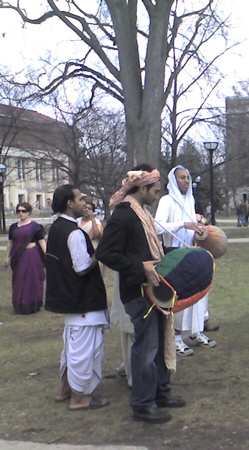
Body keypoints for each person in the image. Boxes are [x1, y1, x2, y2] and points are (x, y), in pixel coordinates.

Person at [97, 165, 185, 424]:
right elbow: (105, 253)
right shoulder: (124, 215)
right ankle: (142, 404)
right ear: (142, 188)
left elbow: (149, 250)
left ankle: (160, 393)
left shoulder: (143, 213)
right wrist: (140, 267)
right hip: (138, 291)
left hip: (155, 289)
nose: (157, 195)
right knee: (146, 349)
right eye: (155, 190)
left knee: (157, 346)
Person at [46, 185, 110, 411]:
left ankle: (65, 390)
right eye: (80, 199)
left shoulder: (56, 227)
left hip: (68, 299)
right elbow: (81, 268)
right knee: (83, 351)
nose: (85, 202)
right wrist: (99, 254)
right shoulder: (73, 232)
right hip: (82, 300)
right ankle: (80, 398)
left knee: (71, 348)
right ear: (69, 204)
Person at [155, 165, 215, 356]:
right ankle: (176, 338)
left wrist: (199, 231)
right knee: (180, 298)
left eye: (188, 177)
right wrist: (183, 224)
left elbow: (191, 228)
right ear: (174, 180)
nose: (186, 181)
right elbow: (157, 227)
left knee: (198, 296)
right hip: (174, 255)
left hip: (192, 253)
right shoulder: (167, 200)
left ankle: (196, 331)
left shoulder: (190, 200)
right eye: (182, 178)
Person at [4, 202, 47, 314]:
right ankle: (20, 304)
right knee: (19, 279)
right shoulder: (13, 227)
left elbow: (41, 241)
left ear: (29, 212)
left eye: (23, 211)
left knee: (32, 279)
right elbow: (10, 243)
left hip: (32, 256)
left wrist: (47, 255)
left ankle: (33, 304)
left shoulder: (35, 227)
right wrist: (7, 257)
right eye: (19, 211)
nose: (21, 213)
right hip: (18, 256)